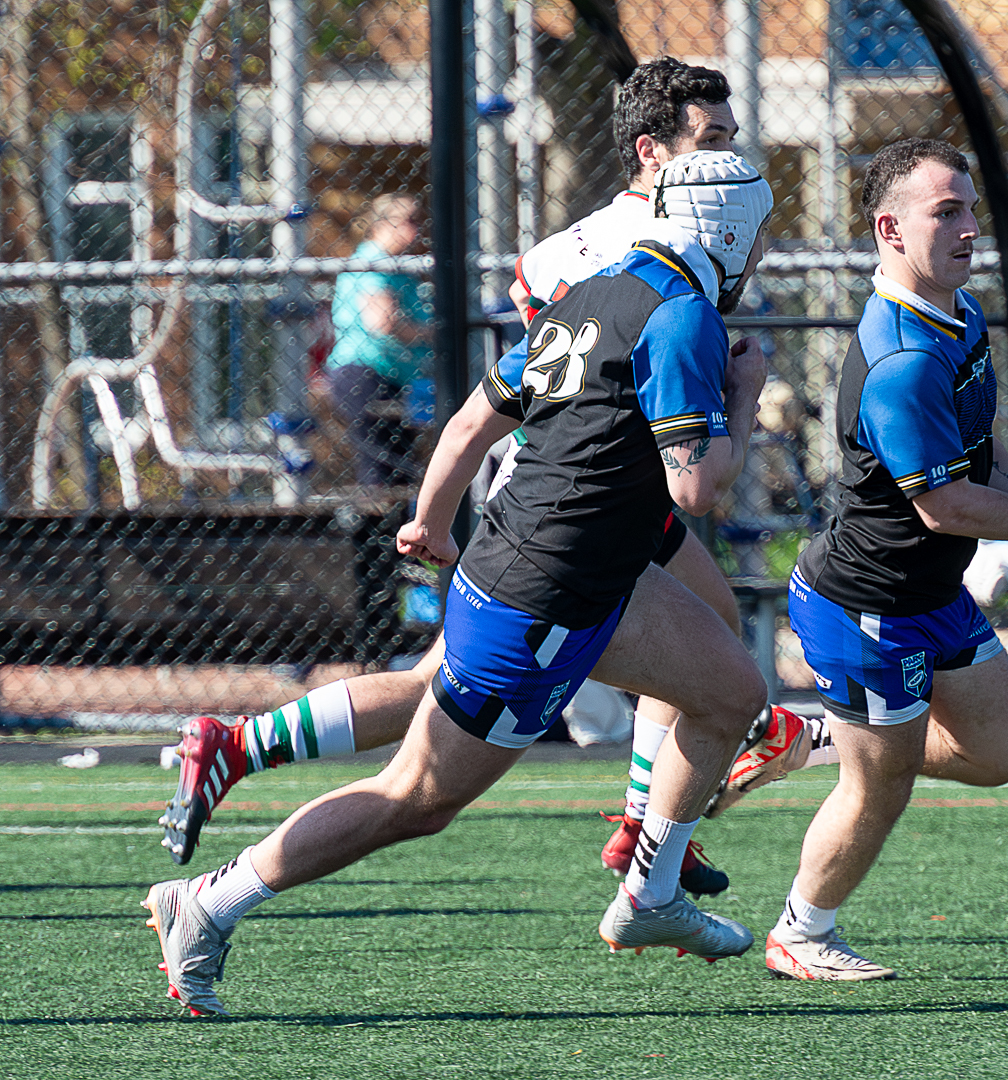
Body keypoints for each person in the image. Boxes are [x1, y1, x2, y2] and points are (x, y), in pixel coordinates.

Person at [158, 58, 834, 895]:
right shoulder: (660, 252)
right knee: (424, 779)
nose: (730, 161)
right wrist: (729, 391)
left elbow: (524, 383)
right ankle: (647, 833)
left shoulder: (580, 244)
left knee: (684, 646)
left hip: (565, 490)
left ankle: (648, 836)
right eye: (712, 141)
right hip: (585, 499)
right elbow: (636, 413)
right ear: (652, 151)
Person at [761, 139, 1008, 981]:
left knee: (1003, 752)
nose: (971, 227)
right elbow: (944, 507)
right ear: (890, 230)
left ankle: (817, 736)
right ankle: (801, 932)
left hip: (930, 594)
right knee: (882, 787)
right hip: (865, 606)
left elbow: (979, 452)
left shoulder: (958, 314)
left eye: (971, 209)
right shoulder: (902, 360)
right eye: (948, 212)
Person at [327, 193, 434, 487]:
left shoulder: (399, 267)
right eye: (408, 221)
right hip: (366, 376)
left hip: (393, 378)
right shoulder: (374, 261)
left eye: (418, 221)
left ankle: (387, 529)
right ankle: (372, 532)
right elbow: (382, 322)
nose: (416, 230)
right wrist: (435, 332)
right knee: (381, 472)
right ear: (382, 224)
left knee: (398, 470)